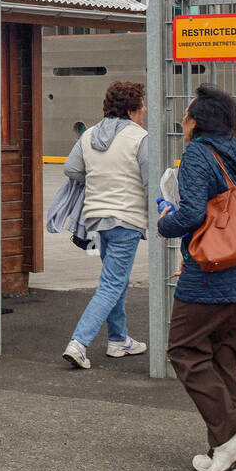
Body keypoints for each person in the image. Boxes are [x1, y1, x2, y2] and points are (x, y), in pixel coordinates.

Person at [158, 85, 236, 471]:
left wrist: (163, 223)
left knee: (184, 349)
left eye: (186, 113)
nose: (182, 120)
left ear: (196, 121)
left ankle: (229, 438)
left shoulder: (197, 154)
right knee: (226, 357)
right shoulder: (233, 152)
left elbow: (189, 214)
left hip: (213, 275)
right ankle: (233, 455)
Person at [61, 81, 153, 369]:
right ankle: (79, 343)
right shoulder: (140, 137)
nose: (145, 109)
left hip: (97, 220)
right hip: (127, 220)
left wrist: (100, 177)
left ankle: (118, 340)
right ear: (131, 109)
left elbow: (71, 168)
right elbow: (151, 183)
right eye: (141, 105)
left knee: (117, 281)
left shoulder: (88, 135)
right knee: (112, 284)